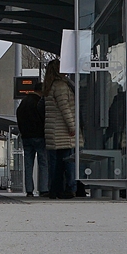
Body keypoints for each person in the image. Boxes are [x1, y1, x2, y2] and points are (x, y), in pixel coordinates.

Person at [43, 59, 77, 199]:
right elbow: (65, 109)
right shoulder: (61, 86)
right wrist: (72, 126)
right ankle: (68, 189)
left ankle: (54, 189)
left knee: (54, 164)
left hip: (52, 130)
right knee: (68, 162)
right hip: (62, 131)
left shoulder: (49, 86)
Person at [16, 85, 48, 197]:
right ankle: (44, 189)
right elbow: (44, 118)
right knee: (43, 162)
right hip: (39, 136)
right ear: (41, 91)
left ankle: (29, 190)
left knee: (28, 164)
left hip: (26, 137)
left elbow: (19, 118)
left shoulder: (23, 103)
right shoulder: (39, 102)